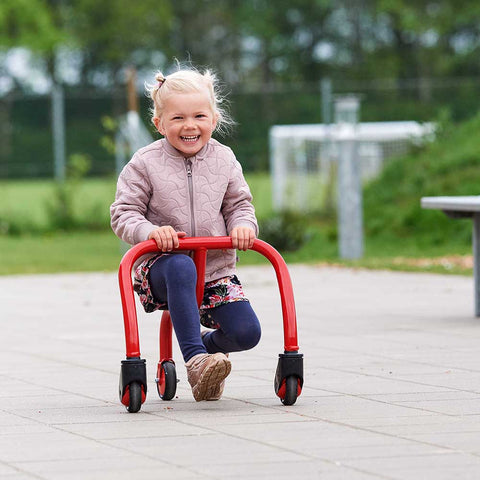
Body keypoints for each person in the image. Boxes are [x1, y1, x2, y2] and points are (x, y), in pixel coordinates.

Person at [111, 67, 261, 402]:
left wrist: (243, 226)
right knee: (180, 266)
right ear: (159, 123)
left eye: (199, 116)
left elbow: (239, 204)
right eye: (177, 118)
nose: (189, 125)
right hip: (163, 269)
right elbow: (123, 213)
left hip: (215, 271)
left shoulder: (224, 159)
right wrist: (151, 231)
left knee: (246, 333)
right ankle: (195, 361)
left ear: (214, 118)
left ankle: (206, 351)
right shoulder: (145, 163)